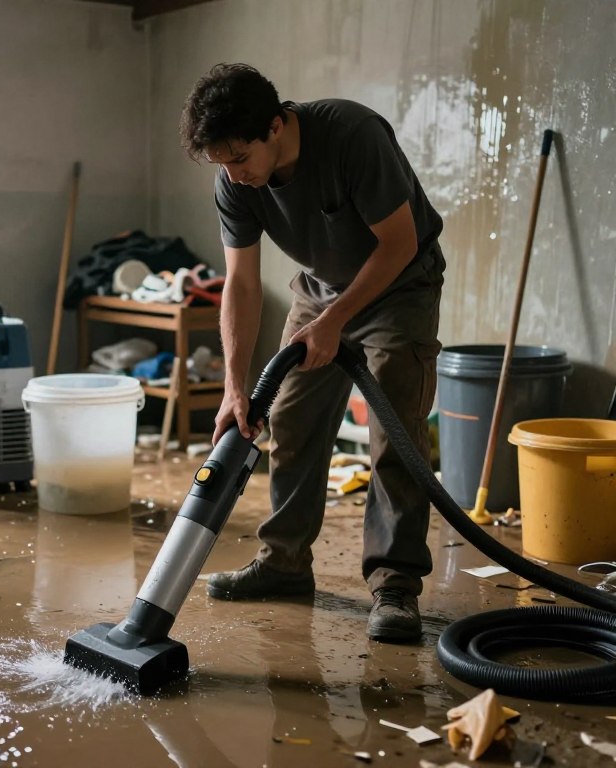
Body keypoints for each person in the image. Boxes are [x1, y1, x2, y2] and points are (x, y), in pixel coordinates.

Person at [179, 63, 445, 643]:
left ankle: (395, 585)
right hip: (320, 290)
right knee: (292, 417)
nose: (234, 174)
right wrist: (233, 385)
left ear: (275, 126)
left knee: (394, 434)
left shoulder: (352, 136)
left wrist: (337, 322)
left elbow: (399, 243)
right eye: (222, 163)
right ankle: (284, 564)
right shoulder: (235, 183)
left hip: (400, 286)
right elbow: (241, 286)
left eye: (239, 158)